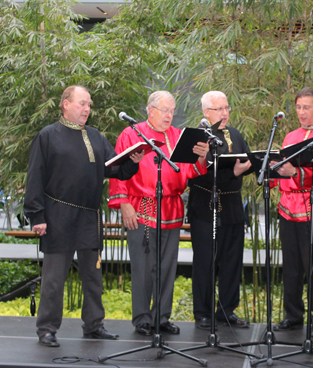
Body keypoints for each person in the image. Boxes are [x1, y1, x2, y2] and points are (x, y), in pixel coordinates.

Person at [24, 85, 144, 347]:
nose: (87, 109)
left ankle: (94, 324)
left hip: (89, 217)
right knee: (54, 278)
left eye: (89, 104)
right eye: (82, 103)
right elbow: (34, 178)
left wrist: (133, 161)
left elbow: (117, 170)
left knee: (93, 275)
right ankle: (46, 328)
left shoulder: (96, 136)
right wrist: (37, 216)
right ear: (65, 104)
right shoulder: (47, 136)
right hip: (57, 216)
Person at [108, 91, 209, 336]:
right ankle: (142, 319)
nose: (169, 115)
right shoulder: (131, 134)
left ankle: (161, 317)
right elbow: (117, 169)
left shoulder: (177, 136)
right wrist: (123, 203)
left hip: (172, 207)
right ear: (150, 110)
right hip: (141, 207)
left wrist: (203, 158)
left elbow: (190, 171)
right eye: (164, 110)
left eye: (172, 110)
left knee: (167, 266)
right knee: (144, 267)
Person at [272, 87, 313, 336]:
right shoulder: (290, 135)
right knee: (290, 264)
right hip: (288, 205)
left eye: (306, 107)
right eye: (298, 107)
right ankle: (293, 314)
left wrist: (295, 173)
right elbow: (281, 166)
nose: (301, 112)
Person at [187, 91, 252, 330]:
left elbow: (244, 161)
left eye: (226, 108)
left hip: (233, 205)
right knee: (205, 261)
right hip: (205, 206)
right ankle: (202, 311)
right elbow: (193, 177)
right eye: (218, 109)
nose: (224, 113)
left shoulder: (234, 133)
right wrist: (233, 173)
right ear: (206, 112)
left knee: (232, 261)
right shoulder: (197, 138)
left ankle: (227, 310)